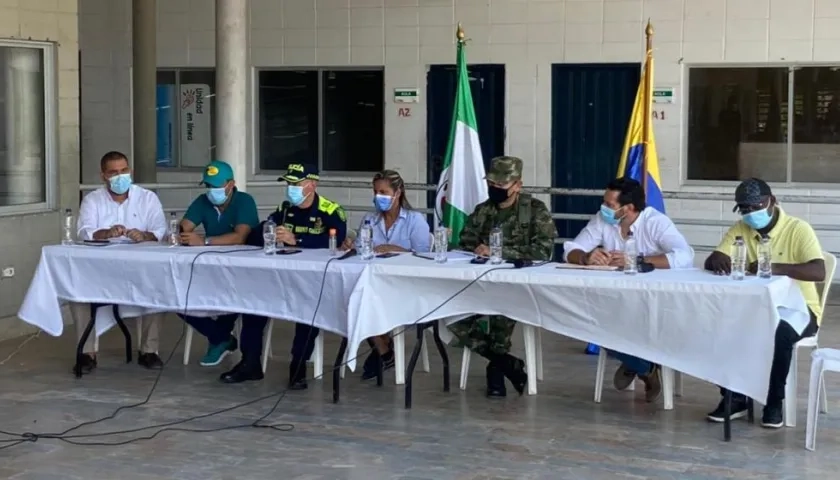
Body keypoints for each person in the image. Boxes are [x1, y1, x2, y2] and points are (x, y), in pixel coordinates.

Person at [704, 178, 826, 428]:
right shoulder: (740, 229)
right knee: (715, 325)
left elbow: (818, 271)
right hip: (753, 309)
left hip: (799, 310)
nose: (751, 213)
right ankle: (735, 397)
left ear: (772, 201)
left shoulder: (797, 229)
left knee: (779, 333)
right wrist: (716, 260)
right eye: (745, 209)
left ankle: (773, 402)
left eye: (756, 206)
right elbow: (715, 256)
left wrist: (773, 267)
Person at [563, 177, 695, 403]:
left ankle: (635, 361)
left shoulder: (656, 222)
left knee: (628, 328)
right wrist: (586, 257)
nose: (603, 209)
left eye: (610, 205)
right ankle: (645, 367)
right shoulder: (603, 221)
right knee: (590, 323)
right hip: (612, 299)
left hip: (652, 302)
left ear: (629, 208)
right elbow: (571, 249)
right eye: (604, 203)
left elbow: (684, 256)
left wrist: (636, 259)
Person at [449, 156, 558, 398]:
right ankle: (506, 363)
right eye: (492, 184)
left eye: (501, 186)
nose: (495, 190)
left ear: (517, 185)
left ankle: (496, 373)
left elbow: (543, 250)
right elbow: (465, 241)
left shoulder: (534, 210)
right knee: (452, 316)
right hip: (482, 283)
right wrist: (477, 248)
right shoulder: (484, 210)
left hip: (520, 285)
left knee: (501, 314)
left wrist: (498, 252)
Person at [231, 163, 347, 388]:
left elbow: (337, 242)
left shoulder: (330, 210)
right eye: (288, 183)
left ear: (311, 185)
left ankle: (298, 365)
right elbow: (257, 236)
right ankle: (250, 362)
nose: (290, 188)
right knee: (253, 303)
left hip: (312, 280)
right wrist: (269, 232)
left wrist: (297, 240)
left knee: (307, 311)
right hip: (279, 276)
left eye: (296, 184)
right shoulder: (285, 209)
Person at [74, 151, 168, 371]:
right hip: (101, 270)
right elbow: (83, 231)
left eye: (124, 170)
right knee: (76, 292)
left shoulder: (147, 198)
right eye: (113, 172)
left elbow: (160, 231)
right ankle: (86, 353)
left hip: (141, 269)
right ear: (103, 175)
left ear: (130, 171)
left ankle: (149, 350)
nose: (120, 176)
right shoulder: (92, 199)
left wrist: (144, 236)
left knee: (160, 287)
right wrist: (105, 233)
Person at [177, 160, 262, 377]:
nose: (212, 191)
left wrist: (204, 242)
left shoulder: (244, 201)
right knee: (177, 296)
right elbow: (184, 227)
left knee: (233, 297)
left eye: (216, 185)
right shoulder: (202, 201)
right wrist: (181, 232)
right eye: (208, 185)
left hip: (242, 270)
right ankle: (221, 338)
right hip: (208, 268)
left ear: (231, 184)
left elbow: (240, 237)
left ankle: (220, 339)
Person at [355, 170, 432, 380]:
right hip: (375, 283)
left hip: (406, 287)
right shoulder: (370, 219)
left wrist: (396, 249)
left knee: (370, 303)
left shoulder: (414, 220)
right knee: (358, 301)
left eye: (384, 191)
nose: (378, 196)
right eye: (375, 191)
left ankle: (381, 351)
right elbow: (359, 248)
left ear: (398, 193)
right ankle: (384, 351)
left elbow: (425, 257)